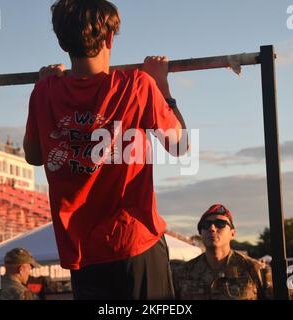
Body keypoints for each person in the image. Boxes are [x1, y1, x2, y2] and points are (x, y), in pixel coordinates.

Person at [23, 0, 188, 300]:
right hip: (134, 243)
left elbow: (34, 157)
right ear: (110, 38)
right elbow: (180, 145)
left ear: (62, 42)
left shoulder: (44, 91)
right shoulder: (139, 84)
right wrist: (163, 87)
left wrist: (46, 86)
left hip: (82, 252)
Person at [172, 204, 272, 300]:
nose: (212, 228)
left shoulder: (256, 270)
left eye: (220, 224)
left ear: (232, 233)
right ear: (200, 233)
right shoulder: (182, 273)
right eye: (206, 225)